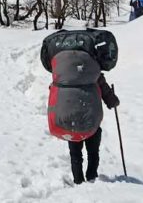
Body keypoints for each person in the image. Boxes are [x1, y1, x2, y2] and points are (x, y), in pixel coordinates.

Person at [42, 30, 121, 184]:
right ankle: (92, 177)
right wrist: (113, 101)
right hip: (90, 119)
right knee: (93, 152)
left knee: (75, 154)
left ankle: (78, 181)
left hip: (68, 120)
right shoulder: (94, 72)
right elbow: (105, 91)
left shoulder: (62, 74)